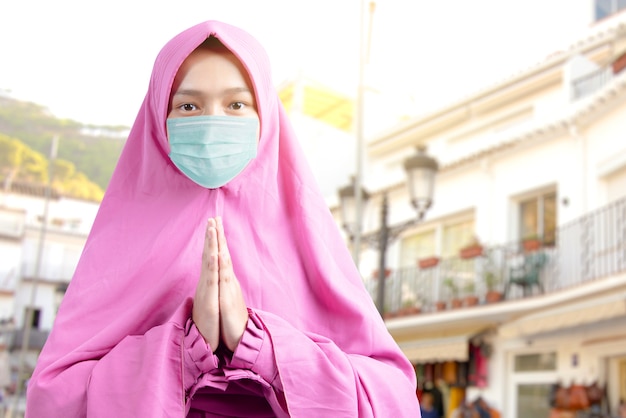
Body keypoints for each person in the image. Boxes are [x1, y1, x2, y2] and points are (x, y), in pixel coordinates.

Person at [25, 20, 420, 417]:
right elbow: (52, 397)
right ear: (157, 118)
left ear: (266, 113)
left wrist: (260, 347)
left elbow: (392, 397)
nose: (212, 123)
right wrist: (183, 351)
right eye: (188, 106)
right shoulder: (119, 242)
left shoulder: (309, 239)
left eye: (236, 104)